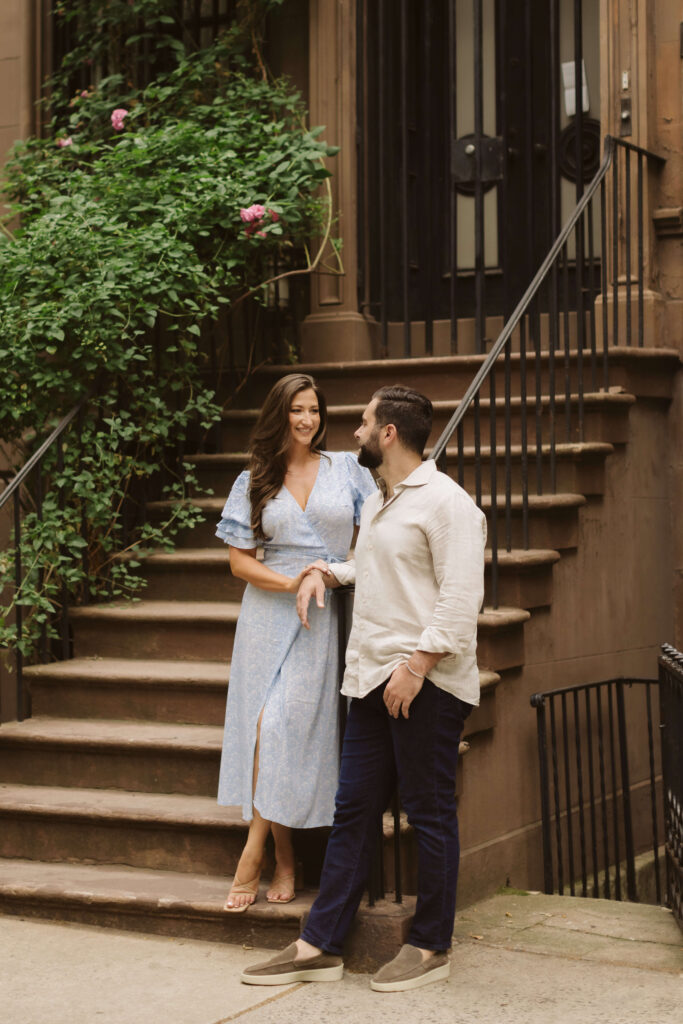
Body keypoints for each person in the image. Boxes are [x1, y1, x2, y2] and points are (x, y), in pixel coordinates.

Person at [239, 385, 487, 991]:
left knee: (428, 812)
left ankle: (431, 945)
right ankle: (318, 945)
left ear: (390, 435)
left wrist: (418, 665)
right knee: (353, 811)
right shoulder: (380, 499)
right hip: (370, 679)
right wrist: (325, 569)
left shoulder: (447, 504)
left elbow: (460, 601)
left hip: (425, 683)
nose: (353, 432)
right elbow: (372, 569)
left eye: (364, 422)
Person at [215, 373, 376, 911]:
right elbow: (240, 562)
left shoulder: (348, 470)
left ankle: (253, 852)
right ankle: (283, 856)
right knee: (264, 728)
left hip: (321, 613)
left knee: (283, 726)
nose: (307, 420)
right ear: (279, 415)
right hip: (266, 612)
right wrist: (292, 582)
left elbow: (374, 539)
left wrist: (325, 575)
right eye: (296, 410)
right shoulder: (254, 479)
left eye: (313, 410)